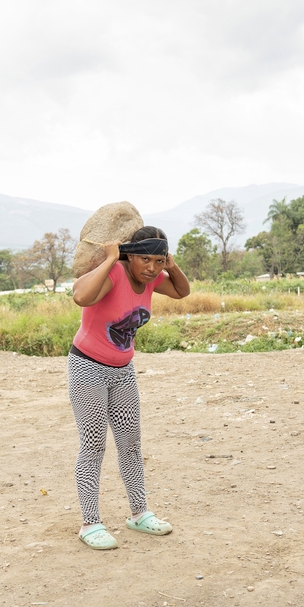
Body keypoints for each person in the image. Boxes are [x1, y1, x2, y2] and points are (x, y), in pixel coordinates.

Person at [69, 226, 191, 549]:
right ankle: (90, 523)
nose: (151, 267)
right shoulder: (116, 274)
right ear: (129, 256)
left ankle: (139, 513)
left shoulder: (152, 279)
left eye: (157, 260)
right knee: (93, 444)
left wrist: (172, 265)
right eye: (144, 259)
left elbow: (182, 292)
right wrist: (110, 259)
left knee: (131, 443)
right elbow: (80, 296)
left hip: (123, 371)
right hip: (88, 367)